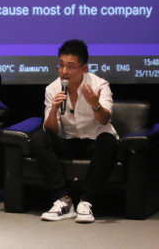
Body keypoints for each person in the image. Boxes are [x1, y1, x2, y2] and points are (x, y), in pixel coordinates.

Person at [31, 39, 118, 223]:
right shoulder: (53, 89)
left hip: (94, 141)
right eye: (60, 65)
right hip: (68, 141)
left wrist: (95, 104)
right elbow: (52, 130)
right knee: (39, 139)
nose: (64, 72)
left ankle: (86, 202)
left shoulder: (99, 85)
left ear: (83, 68)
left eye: (70, 67)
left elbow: (105, 119)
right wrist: (54, 109)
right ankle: (64, 200)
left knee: (108, 141)